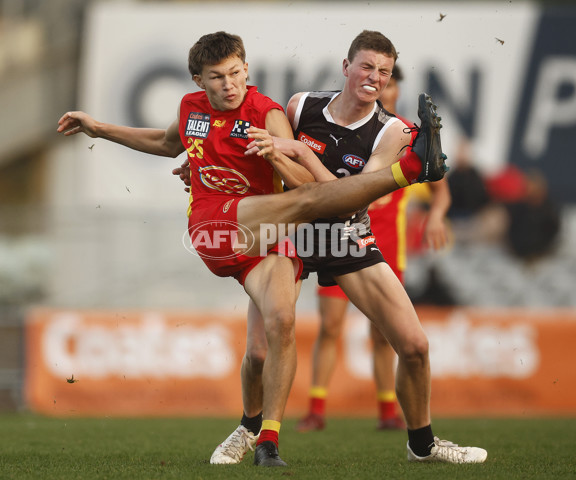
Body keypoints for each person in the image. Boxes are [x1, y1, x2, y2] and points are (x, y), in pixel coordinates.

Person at [198, 30, 485, 466]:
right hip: (289, 233)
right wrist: (200, 162)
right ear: (346, 66)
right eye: (367, 67)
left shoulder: (391, 131)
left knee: (414, 346)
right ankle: (249, 431)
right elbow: (263, 154)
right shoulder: (300, 105)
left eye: (384, 72)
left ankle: (422, 445)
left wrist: (300, 152)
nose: (374, 78)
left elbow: (352, 196)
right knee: (258, 351)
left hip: (345, 236)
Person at [295, 63, 452, 433]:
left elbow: (440, 185)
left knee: (386, 335)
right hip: (339, 239)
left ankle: (387, 412)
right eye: (375, 77)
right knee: (330, 326)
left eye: (389, 82)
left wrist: (436, 216)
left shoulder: (401, 136)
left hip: (385, 246)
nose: (382, 87)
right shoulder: (359, 131)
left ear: (395, 90)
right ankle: (316, 408)